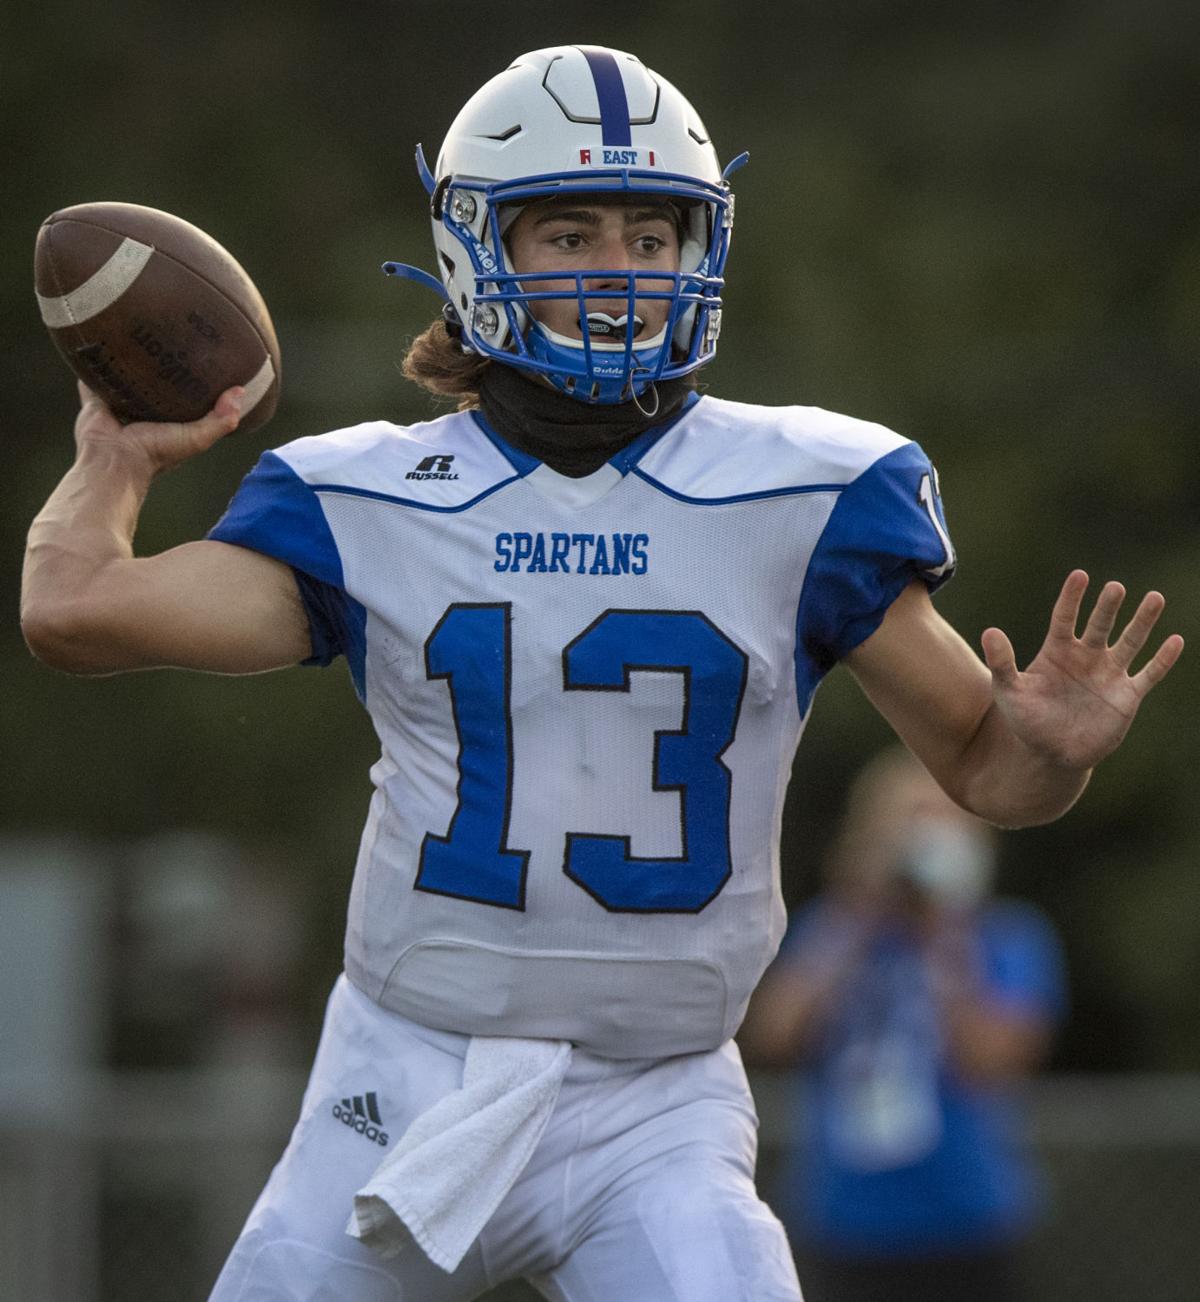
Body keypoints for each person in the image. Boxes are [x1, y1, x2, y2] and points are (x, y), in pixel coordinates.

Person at [20, 44, 1181, 1302]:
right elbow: (74, 609)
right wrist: (119, 454)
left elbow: (987, 776)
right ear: (478, 253)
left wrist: (1050, 753)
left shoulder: (806, 492)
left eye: (650, 230)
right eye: (568, 231)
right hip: (407, 1073)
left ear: (703, 249)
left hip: (659, 1105)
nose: (619, 268)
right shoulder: (367, 496)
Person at [740, 747, 1068, 1302]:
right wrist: (857, 913)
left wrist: (947, 931)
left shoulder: (1008, 937)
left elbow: (992, 1060)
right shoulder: (832, 934)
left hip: (969, 1223)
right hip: (845, 1225)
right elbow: (772, 1037)